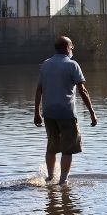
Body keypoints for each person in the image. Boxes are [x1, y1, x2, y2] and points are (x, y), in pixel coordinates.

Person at [34, 35, 97, 185]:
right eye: (71, 46)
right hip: (66, 113)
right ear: (66, 48)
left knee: (51, 147)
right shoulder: (72, 65)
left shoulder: (46, 64)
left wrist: (37, 113)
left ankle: (49, 178)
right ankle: (63, 181)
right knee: (67, 149)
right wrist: (92, 113)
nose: (72, 49)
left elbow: (39, 90)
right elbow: (83, 91)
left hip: (49, 113)